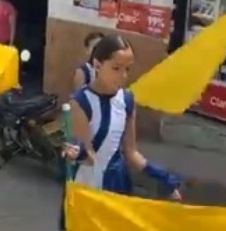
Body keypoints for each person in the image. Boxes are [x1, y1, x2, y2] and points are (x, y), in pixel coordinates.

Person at [64, 35, 181, 198]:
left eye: (127, 69)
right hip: (87, 187)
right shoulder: (81, 102)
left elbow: (131, 153)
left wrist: (163, 178)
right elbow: (89, 157)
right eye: (116, 68)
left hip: (117, 184)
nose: (123, 75)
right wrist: (77, 153)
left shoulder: (127, 99)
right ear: (97, 65)